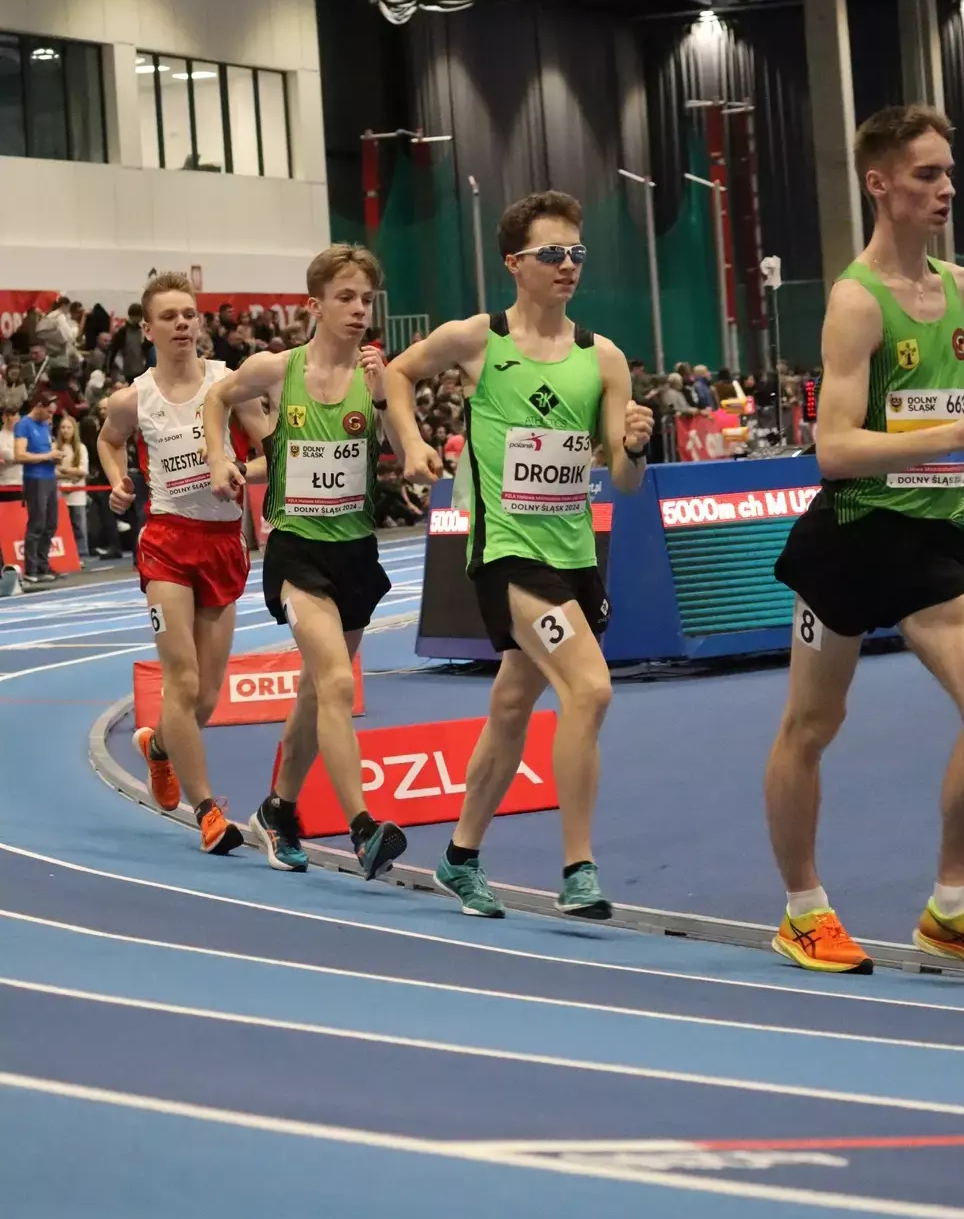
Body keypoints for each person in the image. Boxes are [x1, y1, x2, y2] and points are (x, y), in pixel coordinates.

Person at [767, 104, 964, 979]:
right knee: (813, 723)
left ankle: (953, 907)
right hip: (854, 543)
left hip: (930, 539)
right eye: (926, 175)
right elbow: (832, 449)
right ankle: (802, 912)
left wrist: (950, 464)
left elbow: (925, 409)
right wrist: (948, 446)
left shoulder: (962, 290)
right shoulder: (853, 304)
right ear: (879, 184)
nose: (945, 189)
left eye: (948, 173)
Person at [384, 190, 654, 920]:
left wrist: (632, 445)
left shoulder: (603, 358)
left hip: (573, 552)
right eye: (552, 254)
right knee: (590, 690)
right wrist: (410, 442)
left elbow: (624, 482)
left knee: (510, 708)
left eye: (577, 254)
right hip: (506, 552)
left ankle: (459, 858)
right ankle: (578, 869)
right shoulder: (479, 339)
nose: (569, 266)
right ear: (515, 264)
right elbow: (396, 375)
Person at [203, 245, 407, 881]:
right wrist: (218, 457)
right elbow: (216, 400)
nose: (358, 310)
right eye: (345, 298)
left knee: (316, 693)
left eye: (366, 299)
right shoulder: (276, 368)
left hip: (356, 552)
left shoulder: (378, 375)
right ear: (314, 305)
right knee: (338, 684)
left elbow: (400, 450)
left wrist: (379, 401)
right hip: (297, 551)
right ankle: (363, 829)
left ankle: (277, 810)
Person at [97, 272, 268, 855]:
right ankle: (208, 812)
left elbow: (275, 449)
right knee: (183, 679)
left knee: (207, 699)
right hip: (167, 543)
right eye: (168, 316)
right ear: (147, 329)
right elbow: (108, 438)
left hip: (223, 545)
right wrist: (120, 479)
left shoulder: (229, 383)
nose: (182, 324)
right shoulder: (134, 398)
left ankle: (159, 749)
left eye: (189, 314)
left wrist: (245, 472)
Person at [14, 389, 60, 586]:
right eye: (48, 412)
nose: (51, 416)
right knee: (37, 523)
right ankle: (31, 569)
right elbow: (20, 455)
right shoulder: (24, 425)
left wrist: (55, 456)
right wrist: (47, 457)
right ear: (38, 406)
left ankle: (43, 565)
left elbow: (46, 449)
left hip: (50, 477)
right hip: (35, 479)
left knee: (51, 523)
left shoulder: (44, 425)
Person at [55, 414, 89, 561]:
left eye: (68, 427)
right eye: (63, 427)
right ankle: (65, 555)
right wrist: (68, 473)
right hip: (59, 491)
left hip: (77, 492)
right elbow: (53, 472)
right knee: (60, 525)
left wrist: (64, 471)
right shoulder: (54, 447)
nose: (65, 430)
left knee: (79, 525)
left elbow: (83, 471)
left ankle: (82, 554)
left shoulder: (81, 448)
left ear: (74, 429)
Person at [0, 406, 23, 502]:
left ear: (19, 417)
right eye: (8, 416)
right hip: (4, 484)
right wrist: (25, 456)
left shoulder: (25, 436)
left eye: (14, 415)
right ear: (3, 418)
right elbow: (7, 455)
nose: (11, 419)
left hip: (22, 483)